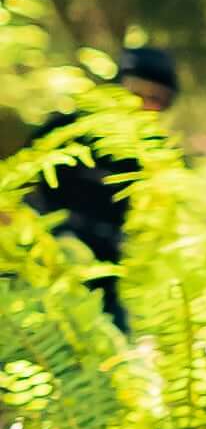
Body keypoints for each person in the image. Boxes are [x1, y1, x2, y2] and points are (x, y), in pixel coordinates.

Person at [18, 43, 178, 326]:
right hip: (42, 259)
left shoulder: (155, 157)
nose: (141, 104)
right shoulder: (68, 129)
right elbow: (18, 182)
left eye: (155, 99)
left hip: (106, 272)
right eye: (136, 92)